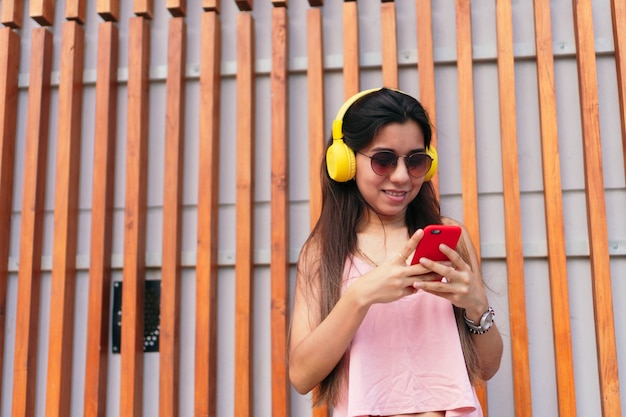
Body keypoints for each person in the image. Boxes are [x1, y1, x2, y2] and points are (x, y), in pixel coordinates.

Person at [288, 87, 503, 417]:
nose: (402, 176)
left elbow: (486, 369)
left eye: (415, 161)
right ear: (345, 163)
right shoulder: (321, 253)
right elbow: (302, 377)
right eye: (383, 160)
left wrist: (477, 307)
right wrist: (359, 297)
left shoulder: (451, 239)